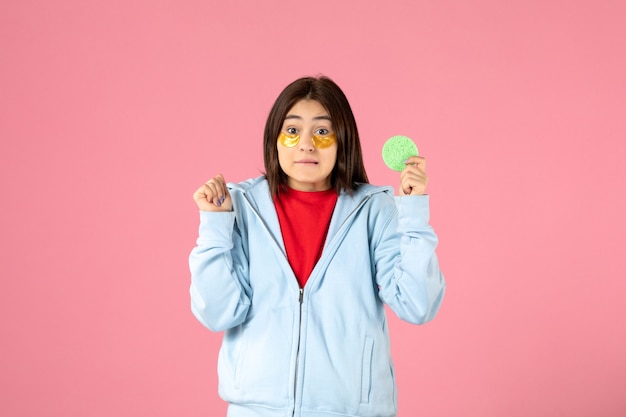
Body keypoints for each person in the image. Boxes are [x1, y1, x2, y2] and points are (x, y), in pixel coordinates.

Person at [189, 75, 445, 417]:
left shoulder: (374, 210)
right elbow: (218, 313)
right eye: (292, 131)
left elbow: (417, 305)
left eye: (322, 132)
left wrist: (413, 214)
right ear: (274, 139)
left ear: (343, 139)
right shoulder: (240, 207)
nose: (306, 144)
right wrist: (216, 225)